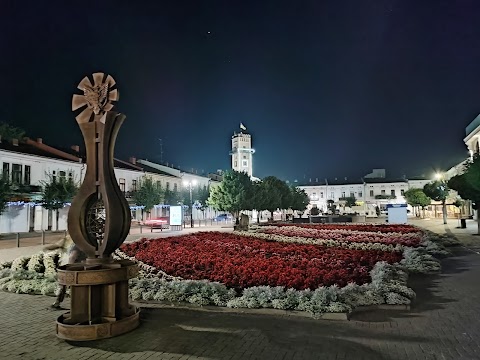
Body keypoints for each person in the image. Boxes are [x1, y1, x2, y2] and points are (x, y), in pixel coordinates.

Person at [43, 235, 87, 309]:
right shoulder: (68, 239)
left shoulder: (78, 242)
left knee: (65, 286)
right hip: (70, 267)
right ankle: (59, 302)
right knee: (64, 286)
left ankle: (61, 303)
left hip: (72, 268)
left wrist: (69, 267)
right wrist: (47, 248)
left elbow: (73, 256)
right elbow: (57, 245)